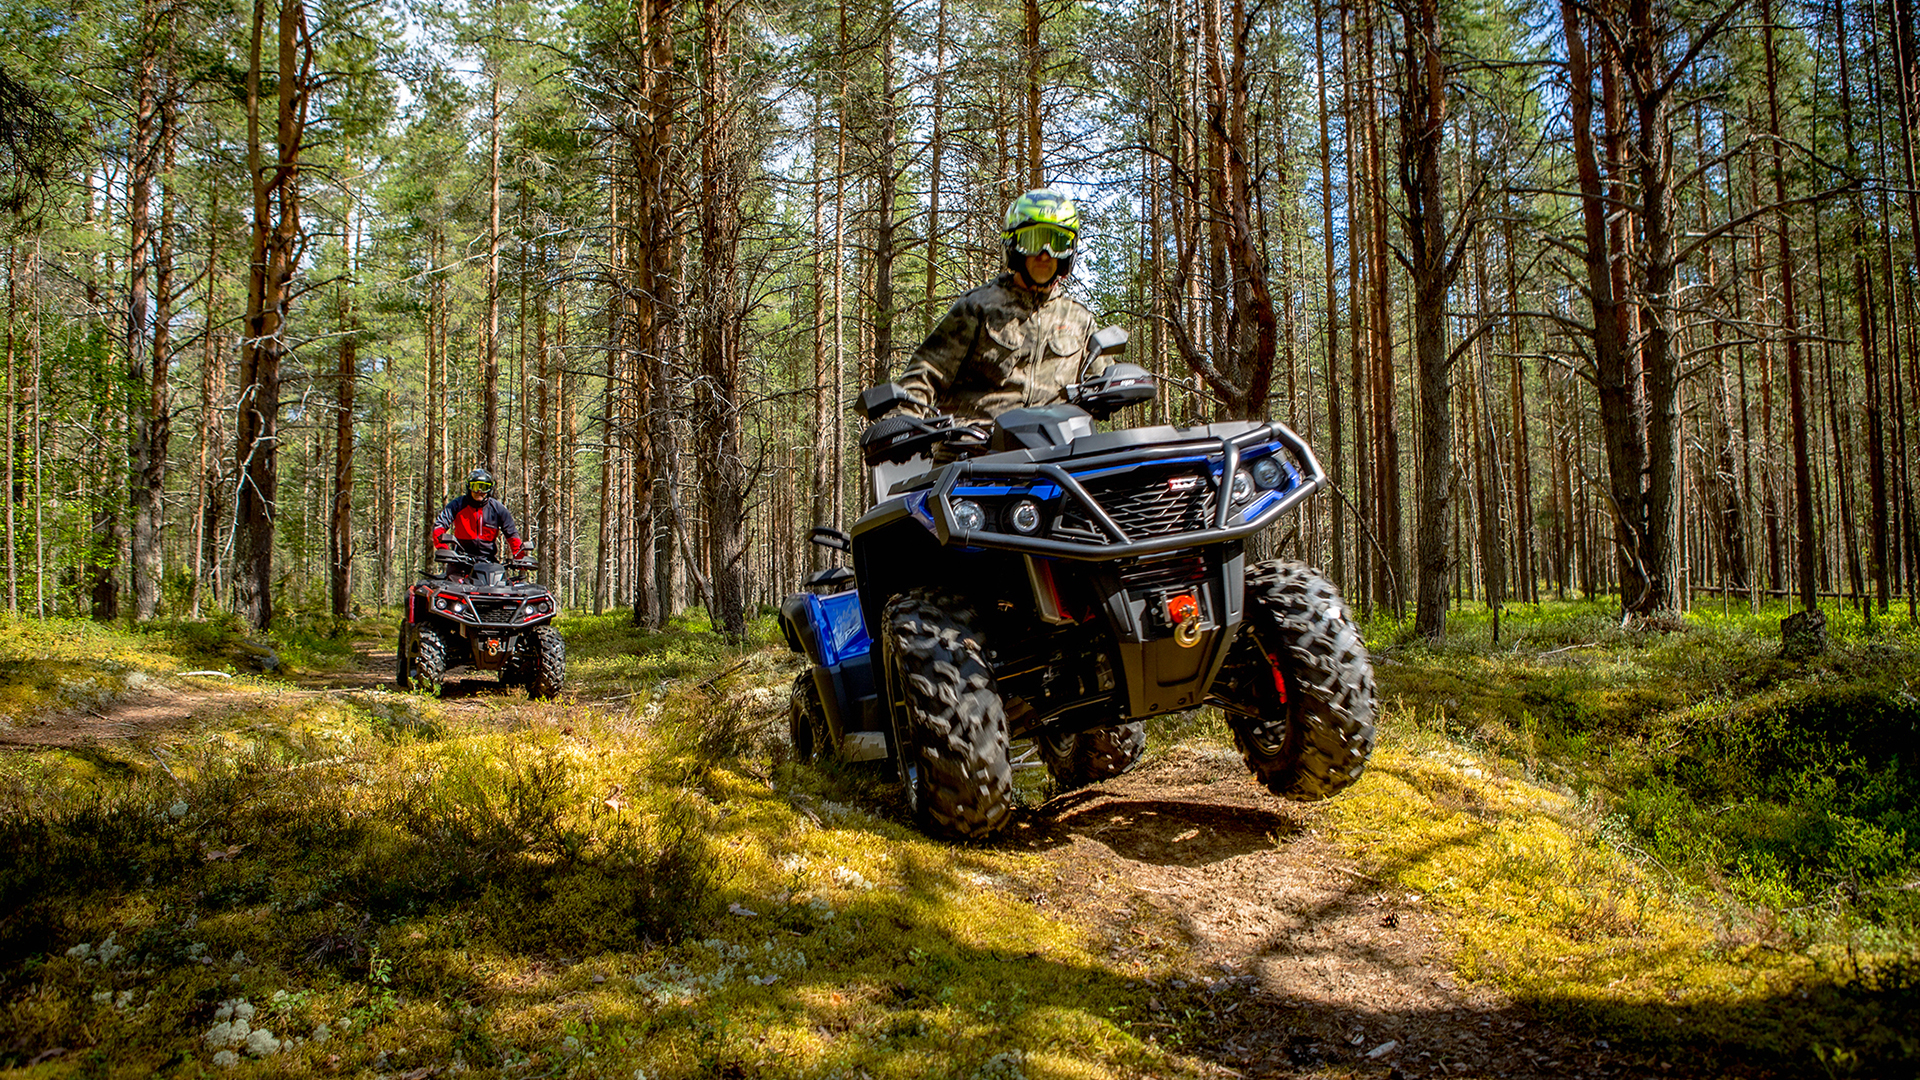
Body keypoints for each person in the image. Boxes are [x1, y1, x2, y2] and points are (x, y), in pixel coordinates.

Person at [897, 188, 1097, 422]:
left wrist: (1117, 389)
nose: (1045, 254)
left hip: (1054, 440)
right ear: (1013, 245)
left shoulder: (1080, 320)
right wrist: (902, 419)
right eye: (1033, 241)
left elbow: (1101, 383)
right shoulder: (978, 306)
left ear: (1069, 253)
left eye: (1058, 243)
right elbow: (926, 371)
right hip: (975, 438)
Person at [432, 467, 525, 563]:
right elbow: (439, 526)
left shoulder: (498, 509)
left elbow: (512, 533)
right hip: (460, 560)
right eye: (475, 487)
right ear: (469, 487)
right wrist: (443, 548)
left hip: (489, 561)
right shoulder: (457, 505)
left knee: (502, 573)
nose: (479, 491)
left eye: (484, 487)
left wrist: (520, 557)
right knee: (452, 573)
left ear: (489, 490)